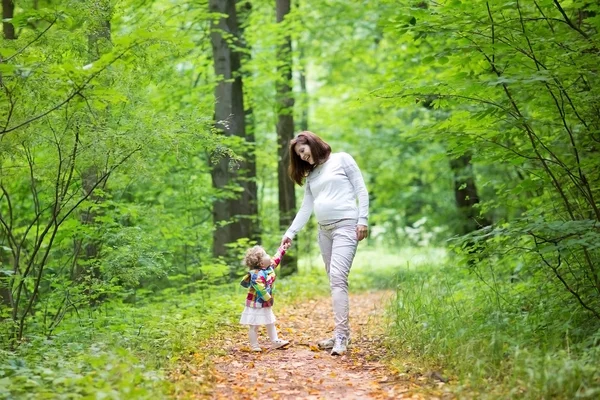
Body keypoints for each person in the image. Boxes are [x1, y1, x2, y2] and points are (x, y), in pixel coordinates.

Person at [280, 131, 369, 356]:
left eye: (302, 151)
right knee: (334, 281)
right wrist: (290, 232)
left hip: (346, 226)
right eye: (298, 155)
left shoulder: (342, 159)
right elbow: (306, 207)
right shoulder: (312, 175)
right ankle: (342, 333)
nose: (301, 157)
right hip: (324, 231)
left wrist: (363, 220)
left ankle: (340, 336)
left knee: (338, 278)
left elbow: (361, 189)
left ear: (311, 143)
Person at [239, 243, 291, 352]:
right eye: (265, 254)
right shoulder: (256, 274)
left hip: (265, 303)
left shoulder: (269, 267)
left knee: (270, 321)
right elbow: (260, 288)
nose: (269, 256)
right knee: (254, 324)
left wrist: (282, 249)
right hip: (255, 303)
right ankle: (254, 345)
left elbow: (276, 259)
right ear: (261, 263)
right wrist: (268, 298)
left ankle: (275, 341)